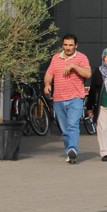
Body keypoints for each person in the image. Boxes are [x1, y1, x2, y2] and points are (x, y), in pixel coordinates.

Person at [43, 33, 92, 165]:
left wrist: (74, 66)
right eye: (65, 45)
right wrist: (47, 85)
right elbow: (49, 74)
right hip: (58, 98)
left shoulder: (81, 58)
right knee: (65, 130)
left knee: (73, 125)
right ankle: (69, 153)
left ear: (76, 45)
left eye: (71, 45)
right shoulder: (56, 58)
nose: (68, 48)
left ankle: (73, 149)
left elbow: (88, 73)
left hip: (75, 97)